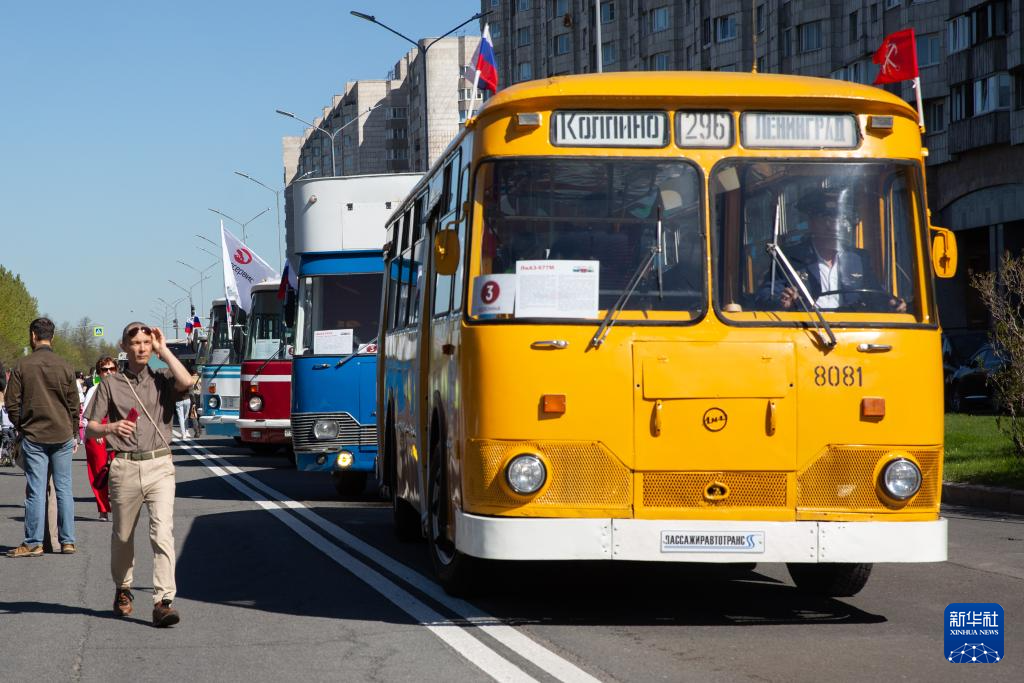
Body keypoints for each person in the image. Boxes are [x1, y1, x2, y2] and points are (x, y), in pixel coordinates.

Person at [86, 323, 192, 628]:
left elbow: (187, 381)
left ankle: (163, 601)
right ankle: (123, 588)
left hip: (160, 465)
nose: (143, 348)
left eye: (148, 342)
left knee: (162, 533)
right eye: (137, 343)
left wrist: (164, 350)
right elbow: (90, 427)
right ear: (125, 347)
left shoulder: (163, 380)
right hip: (125, 466)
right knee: (122, 535)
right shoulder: (111, 384)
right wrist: (110, 428)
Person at [756, 190, 907, 313]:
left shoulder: (858, 259)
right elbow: (764, 297)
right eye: (827, 219)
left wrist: (892, 303)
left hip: (851, 332)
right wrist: (783, 302)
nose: (835, 226)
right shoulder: (789, 257)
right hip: (805, 331)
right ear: (812, 222)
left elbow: (876, 295)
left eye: (841, 219)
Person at [4, 318, 80, 558]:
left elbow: (11, 402)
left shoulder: (22, 366)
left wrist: (21, 425)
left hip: (34, 435)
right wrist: (74, 430)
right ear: (52, 337)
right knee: (64, 489)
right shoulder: (65, 366)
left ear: (33, 336)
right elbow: (74, 405)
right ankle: (68, 541)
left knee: (36, 490)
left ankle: (34, 542)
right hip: (63, 434)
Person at [82, 357, 117, 521]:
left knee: (121, 471)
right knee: (99, 472)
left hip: (118, 431)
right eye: (105, 369)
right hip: (99, 433)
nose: (109, 372)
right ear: (99, 373)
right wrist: (96, 433)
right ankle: (103, 508)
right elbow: (86, 417)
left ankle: (120, 507)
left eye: (112, 368)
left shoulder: (123, 388)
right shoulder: (93, 390)